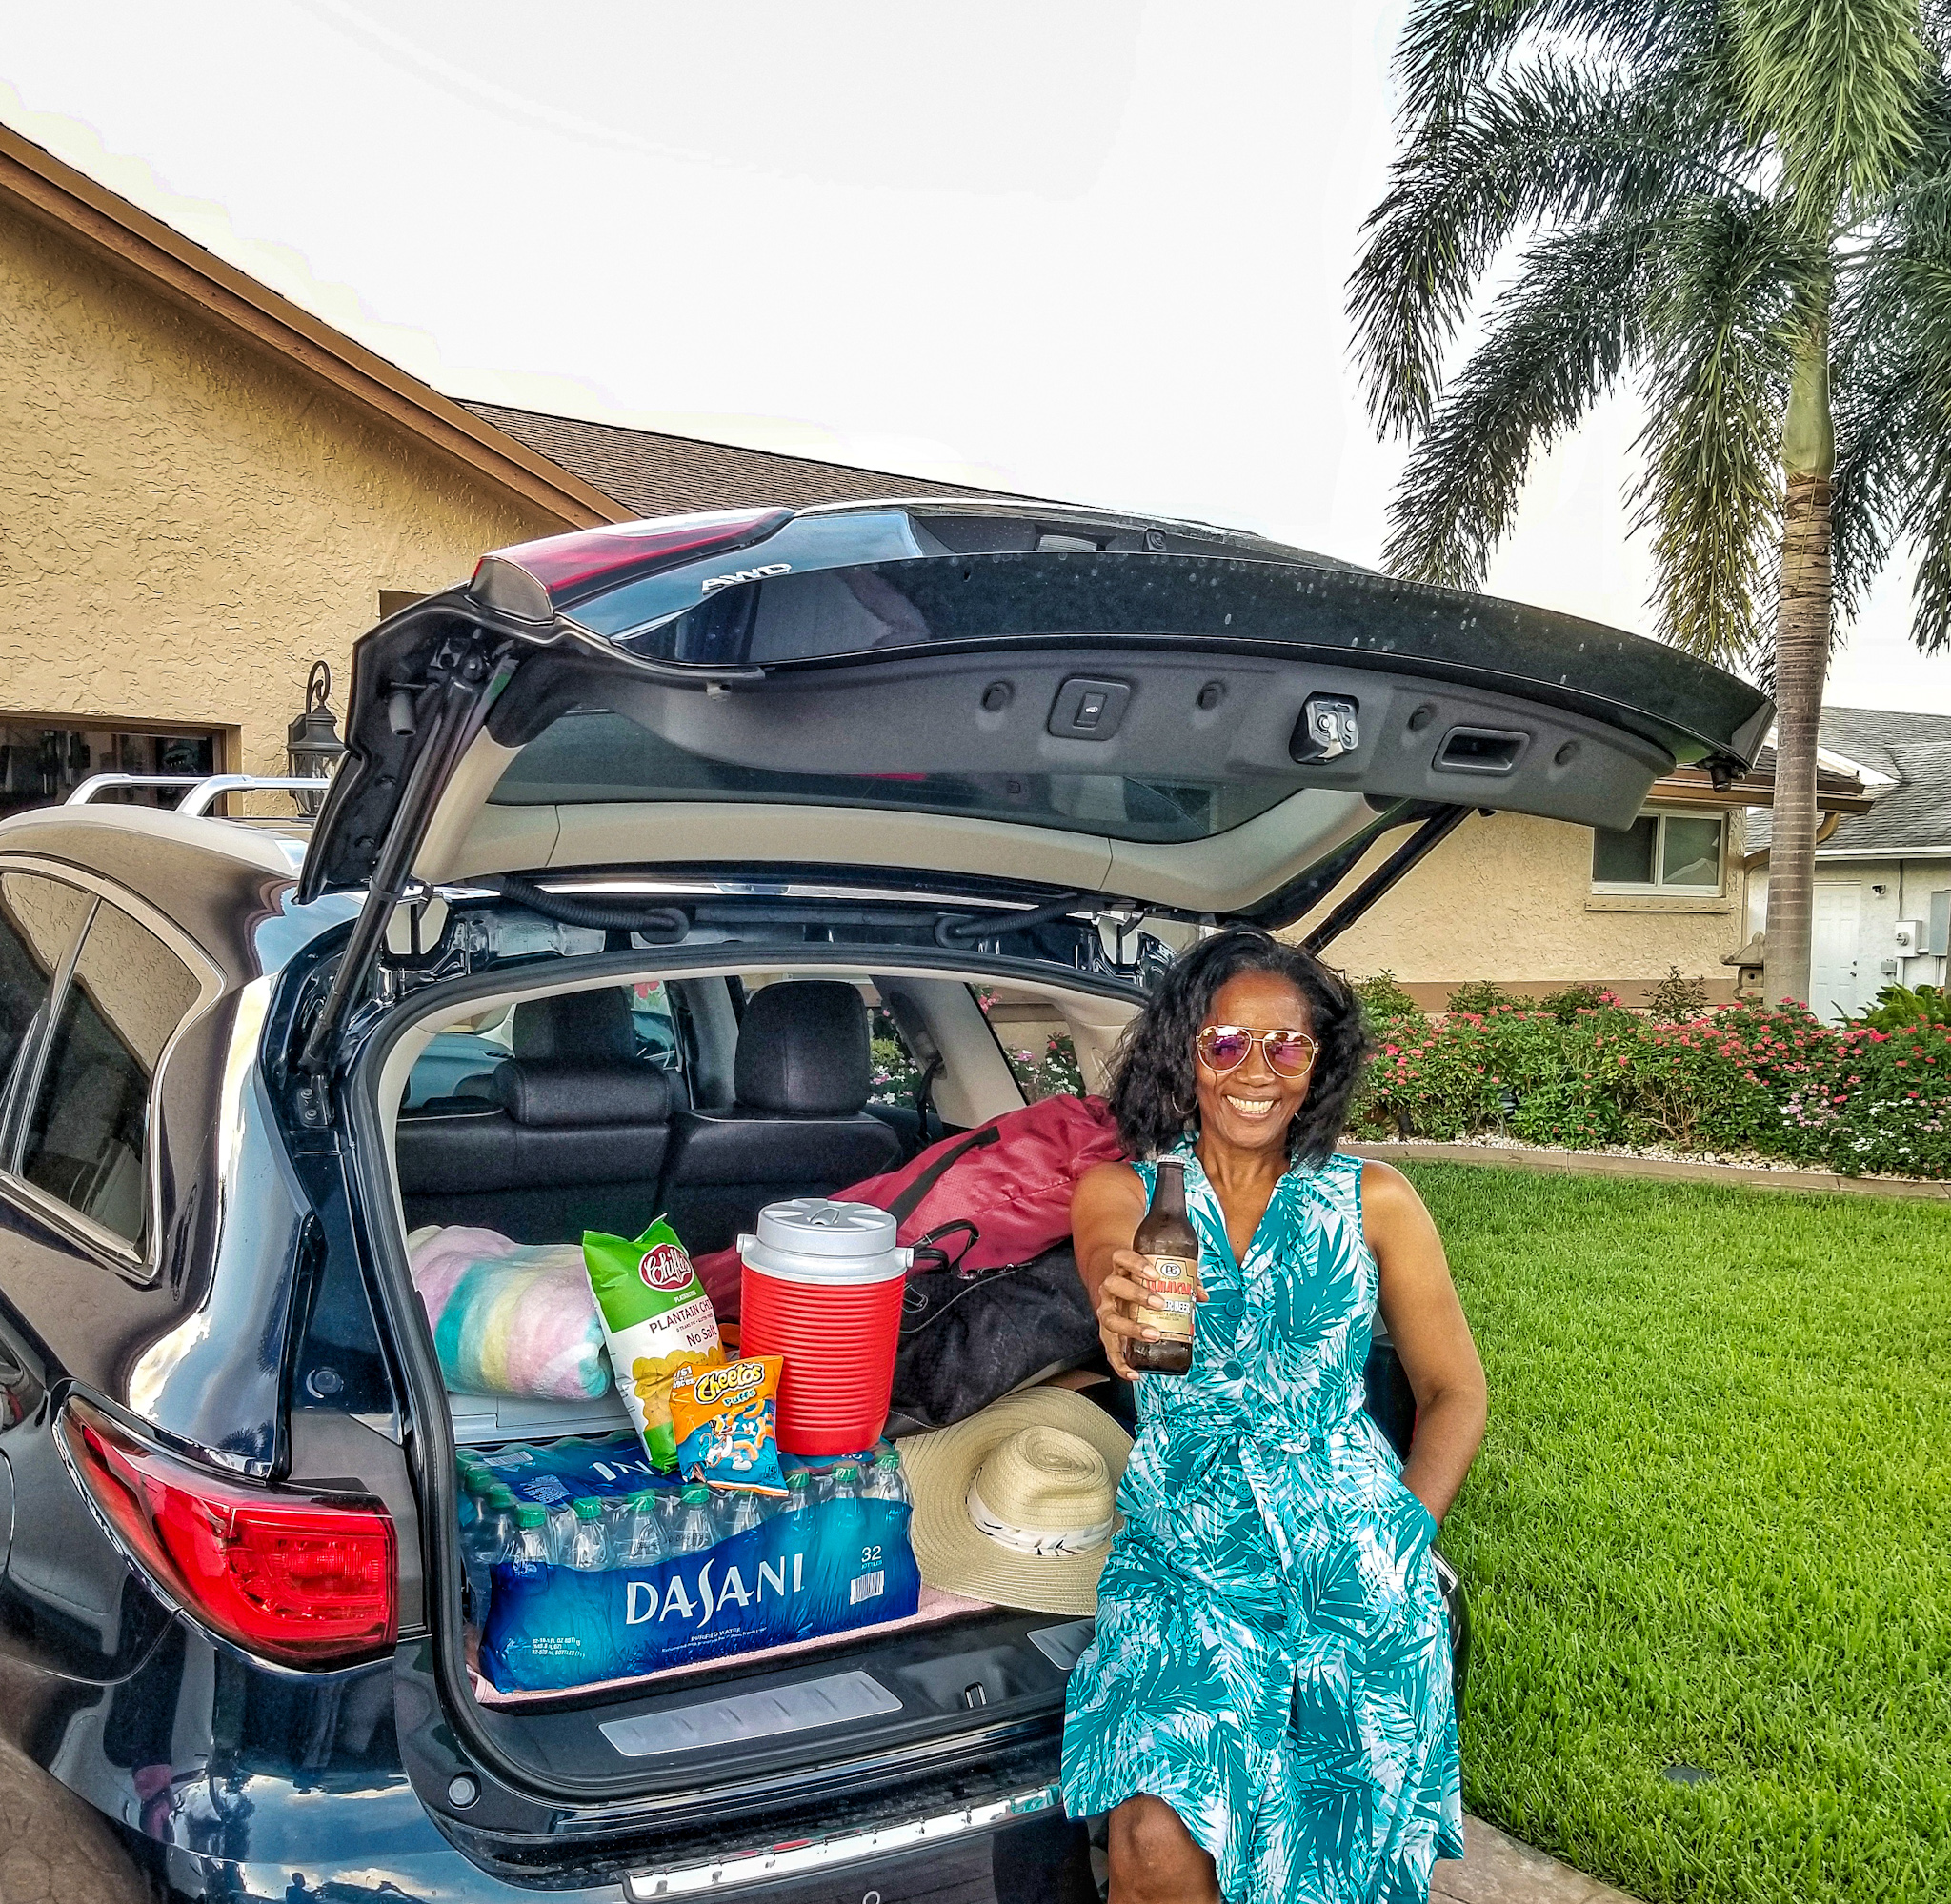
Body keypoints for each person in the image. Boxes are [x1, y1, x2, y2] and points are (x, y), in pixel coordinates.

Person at [1063, 927, 1486, 1904]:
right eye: (1224, 1043)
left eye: (1284, 1045)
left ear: (1317, 1061)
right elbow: (1108, 1262)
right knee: (1152, 1837)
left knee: (1336, 1860)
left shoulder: (1373, 1199)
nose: (1254, 1070)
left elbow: (1454, 1390)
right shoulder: (1126, 1191)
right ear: (1184, 1052)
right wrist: (1117, 1296)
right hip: (1185, 1562)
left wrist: (1403, 1530)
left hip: (1352, 1571)